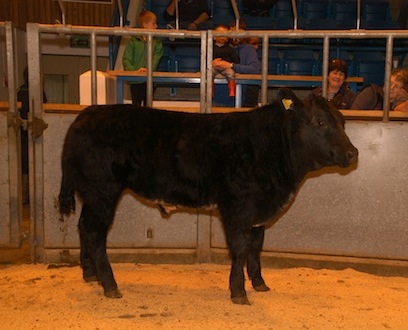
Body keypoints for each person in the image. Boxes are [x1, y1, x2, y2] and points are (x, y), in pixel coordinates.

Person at [212, 20, 261, 107]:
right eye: (233, 32)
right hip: (217, 99)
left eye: (239, 33)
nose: (236, 36)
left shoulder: (249, 49)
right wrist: (211, 64)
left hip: (240, 99)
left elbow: (254, 69)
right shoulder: (217, 47)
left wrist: (231, 66)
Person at [17, 67, 47, 204]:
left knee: (24, 162)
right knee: (36, 160)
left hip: (21, 132)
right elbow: (44, 111)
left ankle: (24, 195)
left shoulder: (19, 91)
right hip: (36, 132)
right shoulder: (39, 93)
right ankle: (35, 196)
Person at [122, 10, 164, 106]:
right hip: (135, 80)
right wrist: (134, 71)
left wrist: (148, 70)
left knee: (147, 107)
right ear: (145, 24)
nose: (156, 26)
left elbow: (156, 60)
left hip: (149, 80)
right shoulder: (133, 41)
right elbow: (126, 59)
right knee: (136, 106)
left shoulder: (157, 43)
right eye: (153, 23)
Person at [212, 24, 240, 97]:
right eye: (219, 34)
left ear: (227, 38)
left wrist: (230, 65)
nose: (222, 36)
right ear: (214, 37)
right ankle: (210, 92)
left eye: (224, 35)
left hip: (226, 68)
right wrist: (211, 63)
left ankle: (232, 92)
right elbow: (204, 59)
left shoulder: (230, 49)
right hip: (213, 67)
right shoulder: (209, 48)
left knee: (231, 73)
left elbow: (236, 60)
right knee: (208, 73)